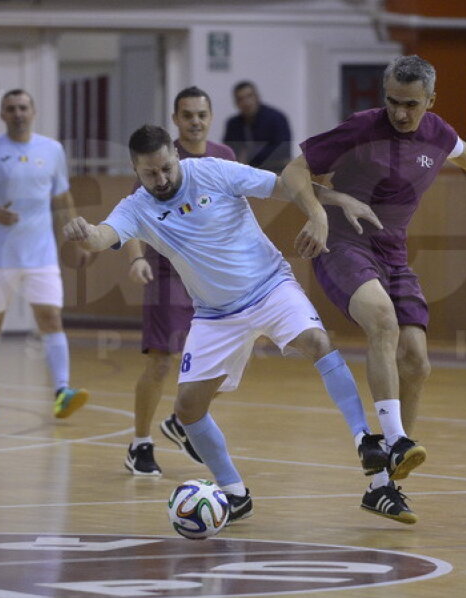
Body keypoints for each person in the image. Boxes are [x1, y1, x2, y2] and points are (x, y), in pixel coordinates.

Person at [65, 125, 406, 523]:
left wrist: (333, 199)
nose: (161, 179)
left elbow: (285, 186)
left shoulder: (213, 171)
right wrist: (85, 233)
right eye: (150, 173)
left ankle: (365, 439)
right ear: (135, 169)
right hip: (216, 315)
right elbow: (101, 236)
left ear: (176, 156)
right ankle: (234, 492)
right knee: (188, 408)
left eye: (166, 168)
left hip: (271, 286)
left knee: (317, 341)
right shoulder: (136, 207)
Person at [282, 55, 466, 522]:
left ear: (430, 101)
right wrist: (318, 213)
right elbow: (293, 172)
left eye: (411, 104)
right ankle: (397, 439)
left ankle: (382, 487)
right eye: (393, 102)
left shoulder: (438, 134)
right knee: (383, 322)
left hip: (393, 254)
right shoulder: (361, 127)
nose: (400, 113)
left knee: (416, 362)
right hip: (343, 244)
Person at [122, 87, 235, 476]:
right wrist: (137, 258)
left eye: (201, 114)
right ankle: (140, 444)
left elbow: (234, 209)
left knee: (226, 361)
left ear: (211, 116)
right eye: (187, 115)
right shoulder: (161, 159)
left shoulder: (223, 156)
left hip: (213, 276)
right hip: (168, 274)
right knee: (161, 361)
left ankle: (178, 419)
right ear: (175, 120)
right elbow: (130, 215)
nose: (195, 122)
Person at [0, 88, 90, 422]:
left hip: (41, 254)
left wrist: (77, 239)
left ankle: (62, 391)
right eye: (11, 108)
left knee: (51, 318)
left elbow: (62, 198)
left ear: (33, 112)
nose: (18, 113)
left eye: (23, 107)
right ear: (2, 115)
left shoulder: (52, 150)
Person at [222, 80, 292, 172]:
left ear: (257, 97)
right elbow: (227, 151)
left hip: (274, 170)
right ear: (236, 103)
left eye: (249, 96)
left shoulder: (276, 118)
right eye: (241, 99)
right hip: (244, 172)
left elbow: (283, 150)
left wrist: (250, 156)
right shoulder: (233, 124)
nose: (246, 102)